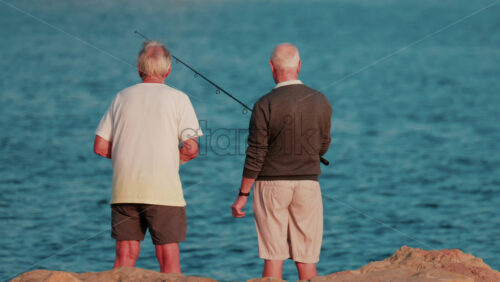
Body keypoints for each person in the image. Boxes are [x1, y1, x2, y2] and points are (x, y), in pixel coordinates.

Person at [93, 41, 203, 273]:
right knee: (168, 258)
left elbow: (100, 146)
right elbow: (191, 147)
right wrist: (177, 159)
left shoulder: (121, 97)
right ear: (169, 70)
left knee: (124, 256)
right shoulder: (179, 98)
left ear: (138, 68)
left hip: (125, 188)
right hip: (163, 189)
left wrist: (128, 154)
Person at [231, 43, 332, 280]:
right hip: (308, 185)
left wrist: (242, 195)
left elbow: (256, 153)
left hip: (271, 186)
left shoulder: (264, 104)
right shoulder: (321, 100)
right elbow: (323, 144)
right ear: (299, 65)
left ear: (271, 67)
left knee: (273, 259)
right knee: (307, 261)